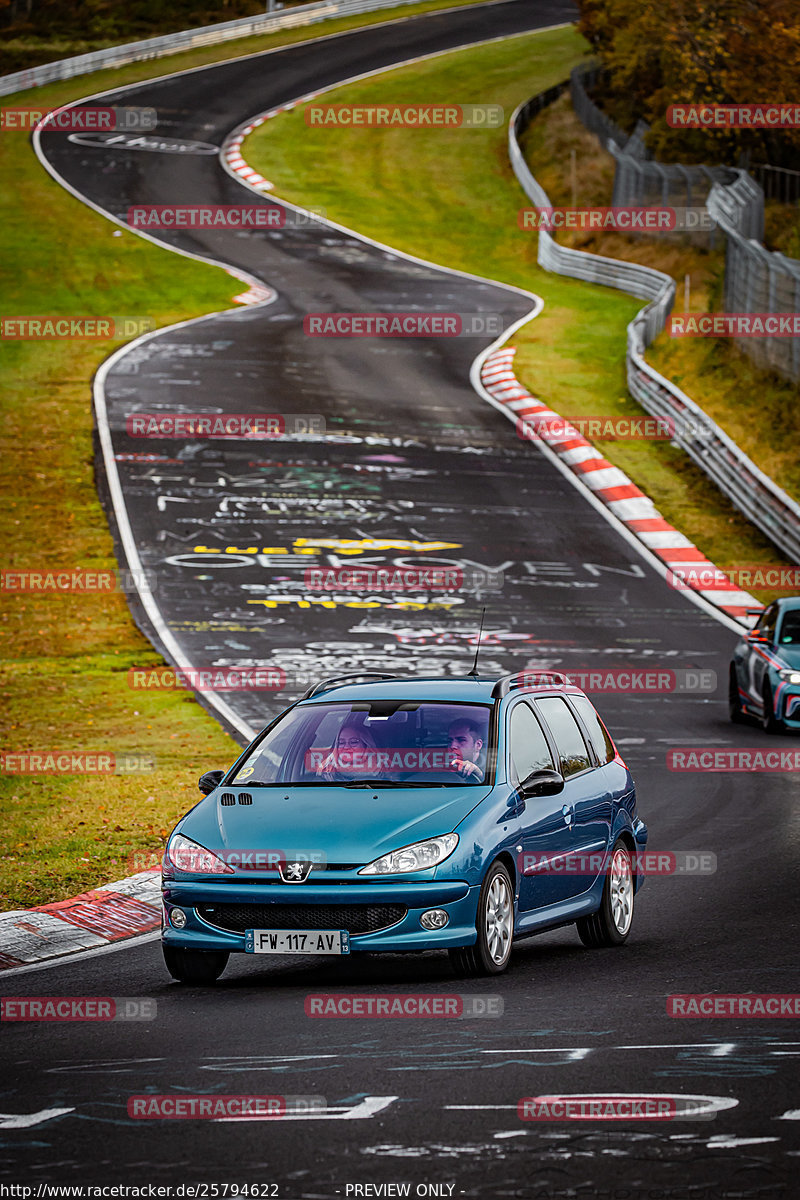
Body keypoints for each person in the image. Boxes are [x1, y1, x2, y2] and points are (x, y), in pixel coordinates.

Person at [315, 721, 383, 781]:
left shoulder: (385, 767)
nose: (347, 747)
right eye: (341, 743)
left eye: (353, 742)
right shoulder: (326, 770)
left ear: (365, 744)